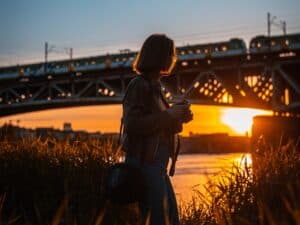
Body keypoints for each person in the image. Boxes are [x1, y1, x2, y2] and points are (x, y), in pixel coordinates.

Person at [121, 34, 193, 225]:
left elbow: (158, 127)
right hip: (146, 164)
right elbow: (132, 124)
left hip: (157, 164)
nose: (173, 58)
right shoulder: (139, 85)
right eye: (171, 53)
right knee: (159, 220)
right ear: (159, 55)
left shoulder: (155, 86)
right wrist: (170, 115)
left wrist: (179, 117)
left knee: (170, 219)